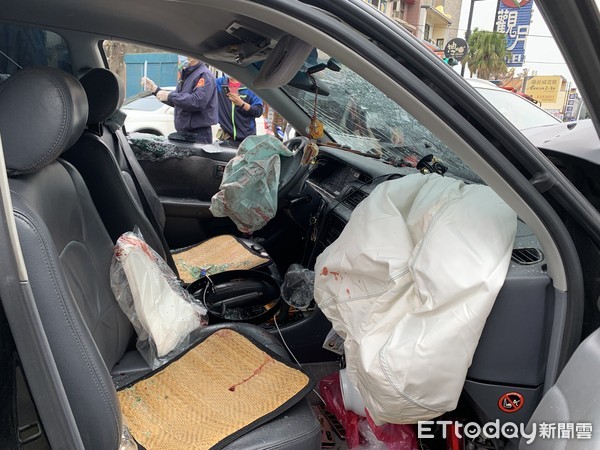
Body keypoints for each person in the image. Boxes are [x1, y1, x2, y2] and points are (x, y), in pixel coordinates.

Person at [142, 57, 217, 144]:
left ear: (193, 56)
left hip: (198, 135)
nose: (179, 58)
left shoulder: (204, 74)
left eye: (183, 54)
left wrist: (170, 96)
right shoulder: (187, 75)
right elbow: (177, 101)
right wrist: (155, 89)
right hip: (184, 134)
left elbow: (197, 101)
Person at [215, 75, 264, 144]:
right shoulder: (218, 83)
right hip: (226, 138)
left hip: (247, 140)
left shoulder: (251, 86)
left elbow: (258, 111)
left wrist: (241, 103)